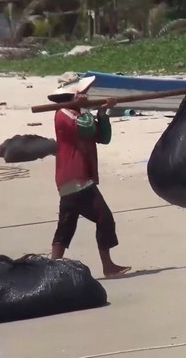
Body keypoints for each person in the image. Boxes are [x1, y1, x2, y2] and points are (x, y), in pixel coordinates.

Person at [47, 73, 131, 278]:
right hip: (76, 178)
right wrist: (86, 108)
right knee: (104, 219)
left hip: (72, 178)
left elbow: (102, 137)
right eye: (83, 93)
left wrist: (102, 112)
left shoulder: (76, 113)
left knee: (67, 224)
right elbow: (85, 128)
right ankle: (108, 266)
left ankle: (51, 268)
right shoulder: (64, 114)